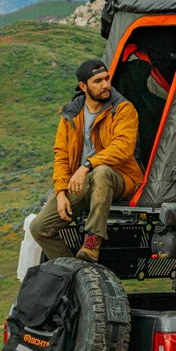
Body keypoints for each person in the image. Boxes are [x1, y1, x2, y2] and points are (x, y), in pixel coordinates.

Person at [30, 59, 143, 262]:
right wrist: (61, 192)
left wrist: (87, 165)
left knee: (101, 172)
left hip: (120, 177)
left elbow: (123, 148)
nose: (106, 85)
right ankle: (75, 270)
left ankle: (92, 241)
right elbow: (61, 156)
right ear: (83, 86)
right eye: (98, 81)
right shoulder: (71, 116)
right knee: (39, 228)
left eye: (107, 79)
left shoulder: (123, 109)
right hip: (83, 183)